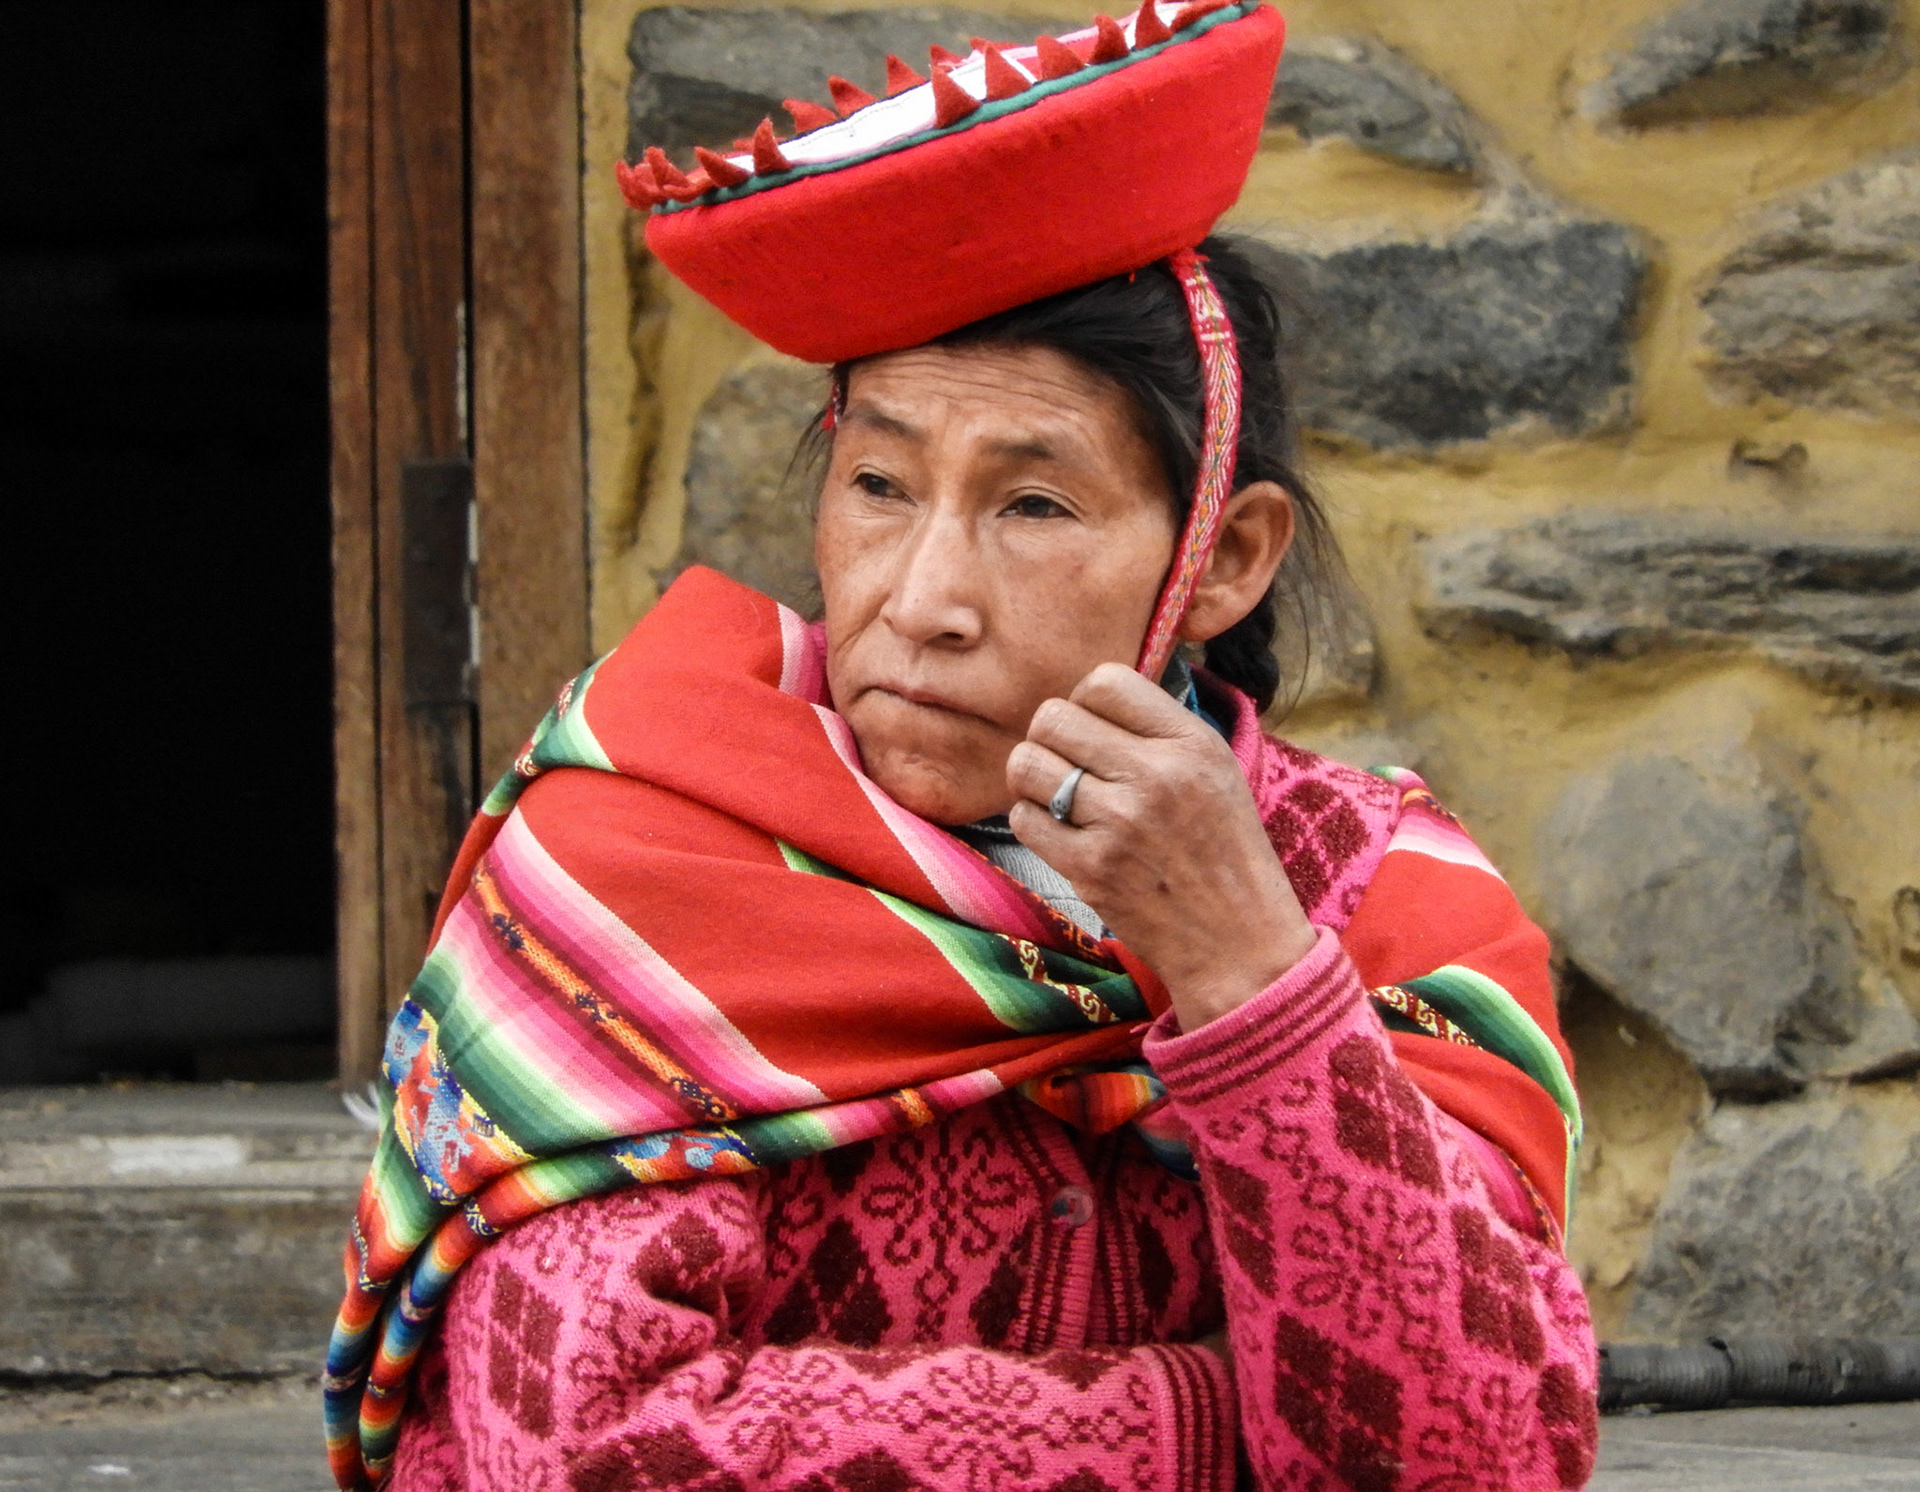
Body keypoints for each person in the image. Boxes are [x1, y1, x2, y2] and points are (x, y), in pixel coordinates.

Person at [326, 5, 1598, 1489]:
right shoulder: (646, 861)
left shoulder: (1388, 907)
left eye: (1033, 507)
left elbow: (1487, 1457)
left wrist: (1256, 984)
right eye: (878, 484)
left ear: (1228, 557)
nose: (919, 602)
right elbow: (579, 1441)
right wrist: (1225, 1432)